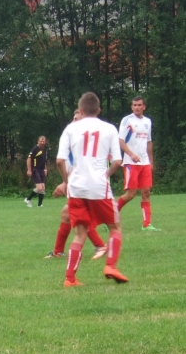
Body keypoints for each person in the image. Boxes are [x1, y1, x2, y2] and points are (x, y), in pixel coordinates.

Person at [56, 92, 128, 287]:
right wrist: (105, 174)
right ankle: (111, 265)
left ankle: (70, 278)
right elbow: (117, 161)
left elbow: (60, 160)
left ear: (80, 110)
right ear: (99, 110)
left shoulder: (71, 129)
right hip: (98, 187)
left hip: (76, 188)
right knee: (115, 227)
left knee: (80, 232)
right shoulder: (109, 129)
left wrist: (66, 181)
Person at [46, 109, 107, 260]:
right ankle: (58, 252)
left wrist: (66, 183)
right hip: (80, 186)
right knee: (67, 215)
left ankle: (101, 246)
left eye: (77, 120)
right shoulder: (74, 141)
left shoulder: (86, 143)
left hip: (86, 187)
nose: (73, 122)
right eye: (73, 119)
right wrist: (65, 182)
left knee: (77, 217)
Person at [116, 96, 159, 231]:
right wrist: (131, 154)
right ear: (131, 107)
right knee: (131, 194)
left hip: (144, 162)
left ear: (144, 107)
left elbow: (149, 142)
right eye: (134, 105)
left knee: (146, 192)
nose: (137, 107)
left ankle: (146, 224)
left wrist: (151, 161)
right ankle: (110, 216)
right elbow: (121, 141)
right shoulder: (127, 120)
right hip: (131, 163)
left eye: (139, 105)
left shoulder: (148, 121)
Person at [24, 136, 48, 207]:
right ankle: (28, 199)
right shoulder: (35, 149)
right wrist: (29, 170)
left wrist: (45, 169)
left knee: (43, 187)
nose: (42, 143)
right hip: (35, 169)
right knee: (39, 188)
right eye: (41, 141)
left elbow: (44, 161)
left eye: (43, 141)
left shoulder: (45, 150)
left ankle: (40, 205)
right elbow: (29, 159)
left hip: (41, 170)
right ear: (38, 141)